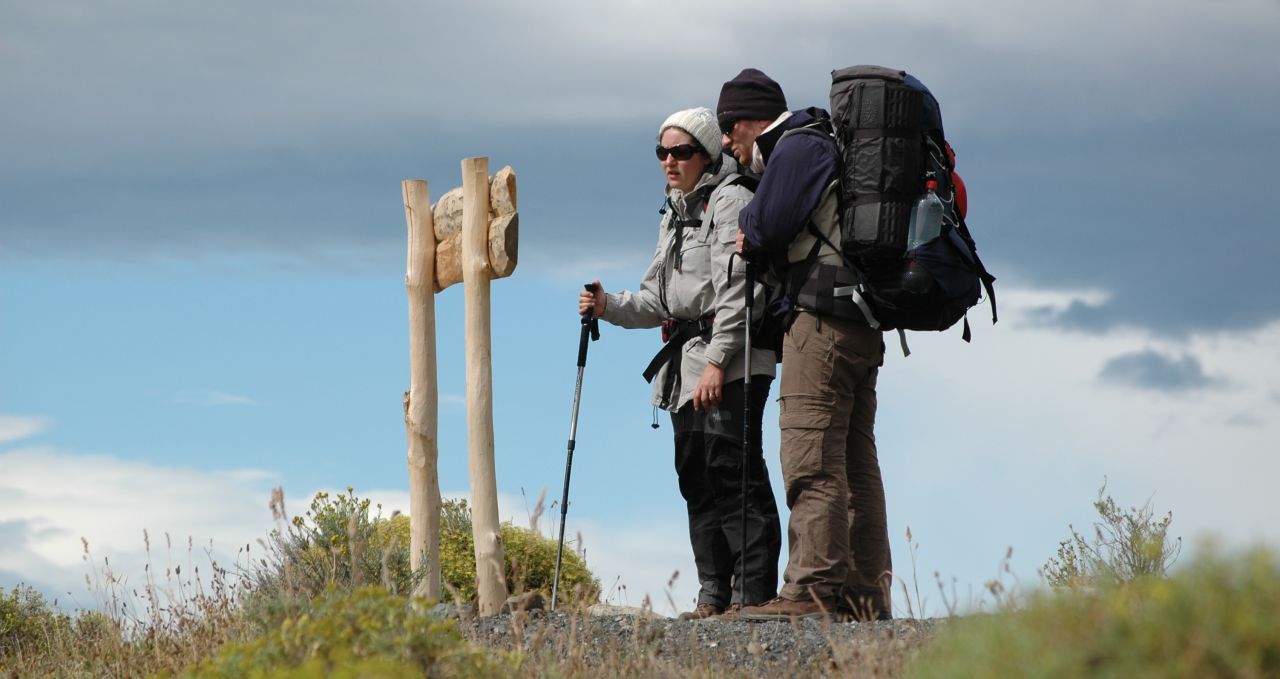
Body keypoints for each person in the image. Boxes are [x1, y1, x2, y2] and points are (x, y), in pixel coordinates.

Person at [579, 107, 782, 620]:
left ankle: (751, 595)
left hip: (730, 360)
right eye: (662, 152)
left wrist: (717, 362)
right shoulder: (673, 210)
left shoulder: (730, 200)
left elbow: (739, 292)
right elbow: (659, 300)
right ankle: (713, 594)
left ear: (707, 153)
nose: (670, 161)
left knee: (733, 471)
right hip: (686, 367)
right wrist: (609, 306)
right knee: (696, 474)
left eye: (682, 151)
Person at [716, 68, 894, 621]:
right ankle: (865, 595)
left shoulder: (794, 148)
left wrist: (750, 221)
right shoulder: (824, 143)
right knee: (854, 462)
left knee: (810, 459)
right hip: (860, 323)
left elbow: (763, 229)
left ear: (753, 119)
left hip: (820, 323)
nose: (726, 141)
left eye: (730, 126)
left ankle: (811, 594)